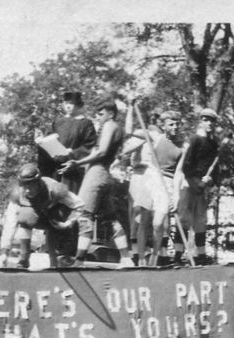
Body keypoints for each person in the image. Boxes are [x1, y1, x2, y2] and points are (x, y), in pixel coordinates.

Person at [59, 98, 133, 268]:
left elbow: (101, 151)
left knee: (84, 215)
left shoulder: (109, 125)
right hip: (106, 175)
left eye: (101, 114)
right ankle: (126, 258)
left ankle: (79, 261)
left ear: (111, 113)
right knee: (110, 219)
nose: (98, 118)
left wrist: (77, 163)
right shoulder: (118, 129)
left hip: (97, 172)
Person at [123, 105, 183, 266]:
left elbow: (179, 173)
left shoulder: (183, 146)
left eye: (177, 124)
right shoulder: (156, 137)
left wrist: (175, 197)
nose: (175, 127)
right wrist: (130, 107)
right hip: (151, 178)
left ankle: (155, 256)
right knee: (143, 220)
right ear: (163, 126)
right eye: (171, 124)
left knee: (158, 223)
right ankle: (142, 260)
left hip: (167, 184)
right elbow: (128, 131)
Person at [0, 164, 84, 269]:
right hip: (37, 218)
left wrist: (67, 223)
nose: (27, 190)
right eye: (25, 185)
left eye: (31, 185)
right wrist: (4, 253)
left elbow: (79, 205)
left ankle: (61, 257)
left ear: (38, 182)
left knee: (55, 261)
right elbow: (10, 224)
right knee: (25, 215)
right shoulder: (18, 194)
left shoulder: (53, 188)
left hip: (57, 220)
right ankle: (24, 258)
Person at [175, 108, 221, 265]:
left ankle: (201, 256)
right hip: (190, 183)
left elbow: (215, 169)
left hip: (202, 187)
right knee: (184, 220)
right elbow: (186, 166)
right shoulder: (195, 139)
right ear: (201, 121)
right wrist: (196, 181)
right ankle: (177, 256)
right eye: (206, 120)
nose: (209, 123)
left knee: (201, 221)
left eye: (212, 121)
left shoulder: (214, 144)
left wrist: (210, 180)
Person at [36, 91, 97, 195]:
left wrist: (73, 152)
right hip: (55, 168)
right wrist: (41, 142)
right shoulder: (58, 122)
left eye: (72, 103)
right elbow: (49, 141)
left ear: (78, 105)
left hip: (72, 168)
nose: (69, 106)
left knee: (70, 197)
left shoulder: (86, 124)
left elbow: (89, 146)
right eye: (67, 103)